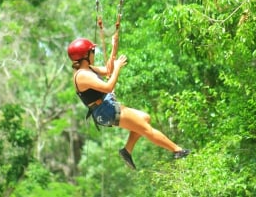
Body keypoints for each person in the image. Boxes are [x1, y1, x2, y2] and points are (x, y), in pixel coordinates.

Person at [67, 32, 190, 170]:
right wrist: (118, 67)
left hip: (106, 107)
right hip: (106, 110)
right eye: (92, 51)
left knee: (145, 117)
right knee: (145, 128)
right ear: (85, 56)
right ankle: (178, 151)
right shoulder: (83, 75)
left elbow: (108, 70)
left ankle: (127, 150)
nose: (94, 54)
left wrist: (114, 46)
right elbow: (108, 87)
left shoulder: (87, 69)